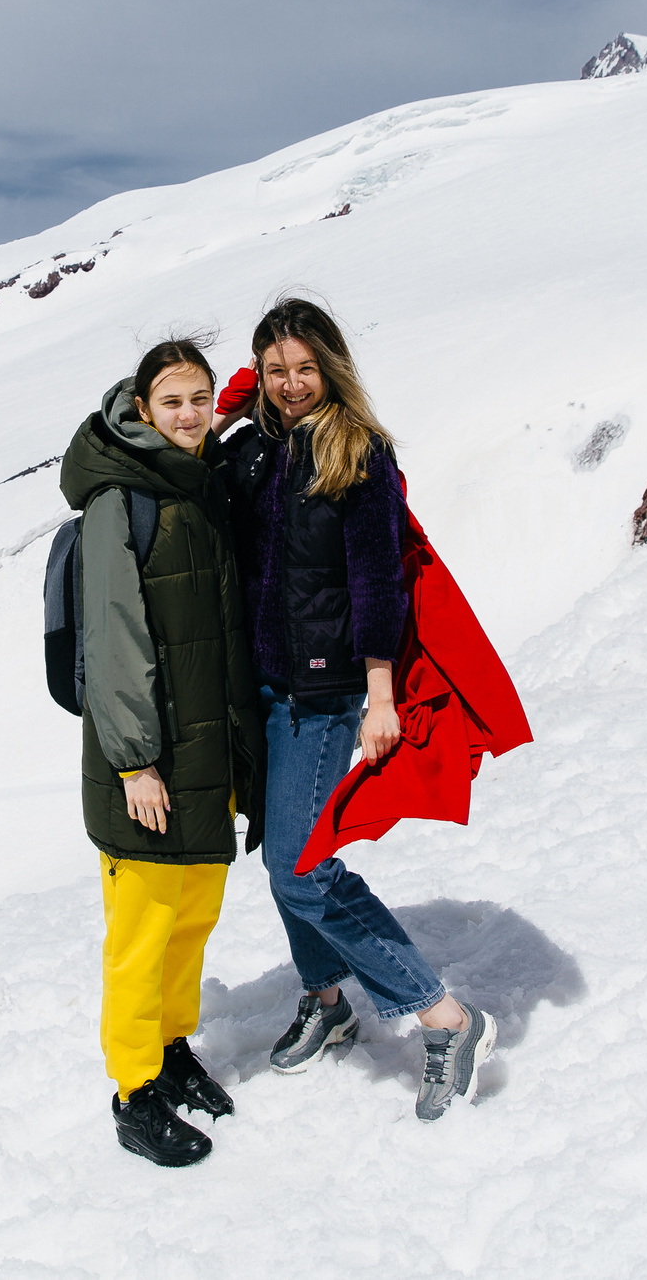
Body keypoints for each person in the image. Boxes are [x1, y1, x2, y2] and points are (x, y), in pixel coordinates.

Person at [218, 297, 498, 1122]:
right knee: (281, 858)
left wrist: (380, 695)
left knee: (304, 868)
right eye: (277, 372)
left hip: (331, 691)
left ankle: (445, 1015)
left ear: (330, 367)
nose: (293, 384)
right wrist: (234, 415)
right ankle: (327, 1001)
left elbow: (377, 581)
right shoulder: (261, 450)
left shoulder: (358, 452)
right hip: (267, 687)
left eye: (306, 368)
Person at [59, 336, 268, 1167]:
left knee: (191, 918)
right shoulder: (122, 497)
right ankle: (134, 1088)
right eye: (173, 400)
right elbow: (115, 638)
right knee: (141, 931)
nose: (190, 414)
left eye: (201, 398)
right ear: (141, 406)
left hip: (205, 754)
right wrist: (135, 761)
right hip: (146, 764)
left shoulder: (201, 483)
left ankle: (173, 1046)